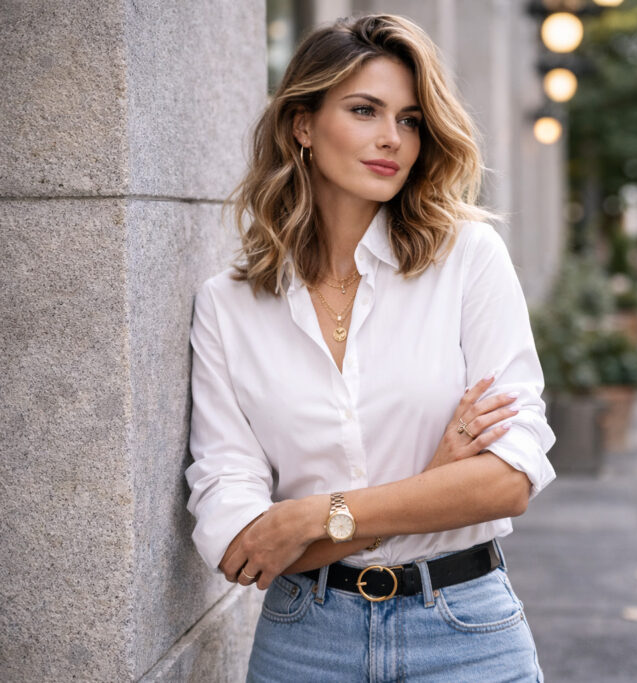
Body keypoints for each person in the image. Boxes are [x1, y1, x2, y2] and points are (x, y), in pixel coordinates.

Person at [185, 15, 555, 682]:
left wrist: (310, 515)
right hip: (305, 642)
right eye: (364, 111)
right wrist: (435, 482)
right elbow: (244, 546)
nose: (393, 138)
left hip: (464, 633)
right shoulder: (228, 306)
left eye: (411, 120)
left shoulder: (467, 258)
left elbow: (508, 479)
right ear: (303, 124)